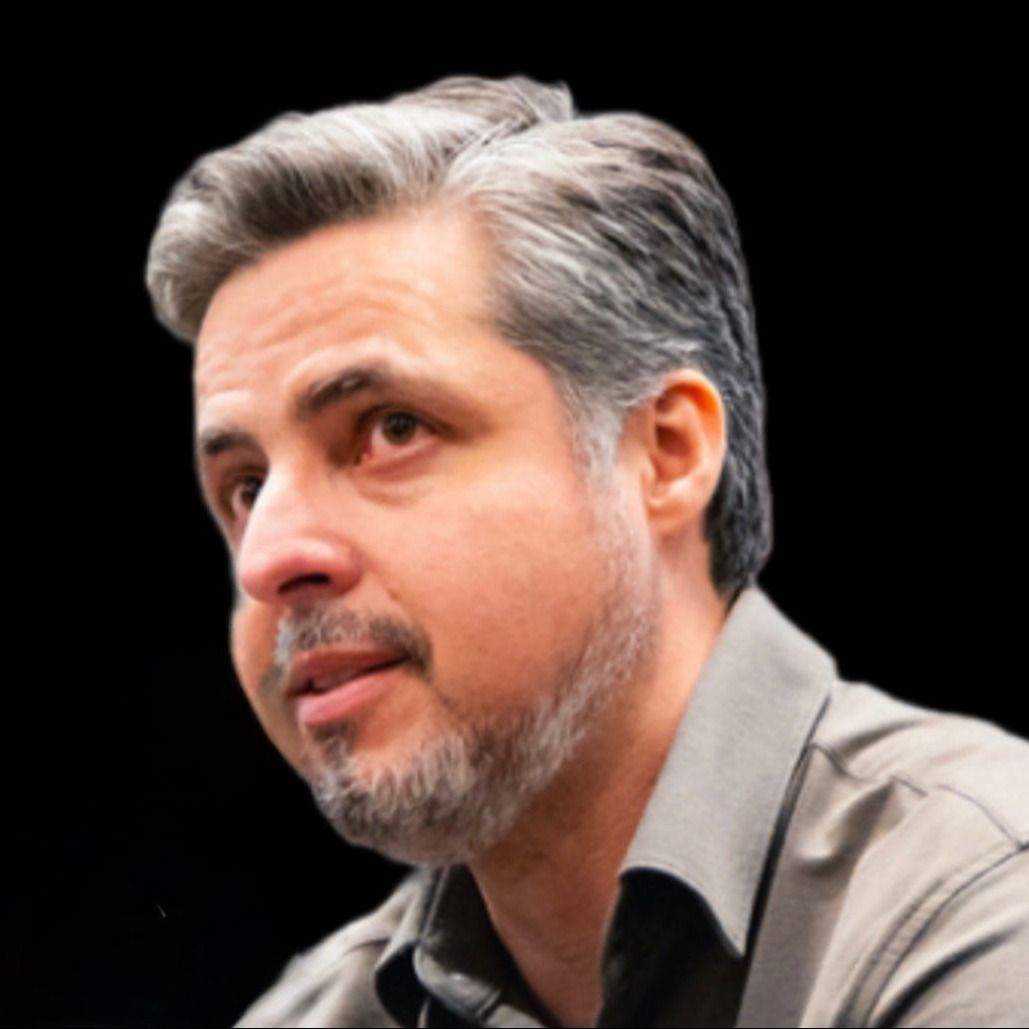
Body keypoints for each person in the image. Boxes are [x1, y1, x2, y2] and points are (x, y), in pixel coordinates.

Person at [145, 75, 1028, 1028]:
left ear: (665, 453)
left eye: (392, 428)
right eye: (245, 486)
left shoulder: (984, 905)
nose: (266, 557)